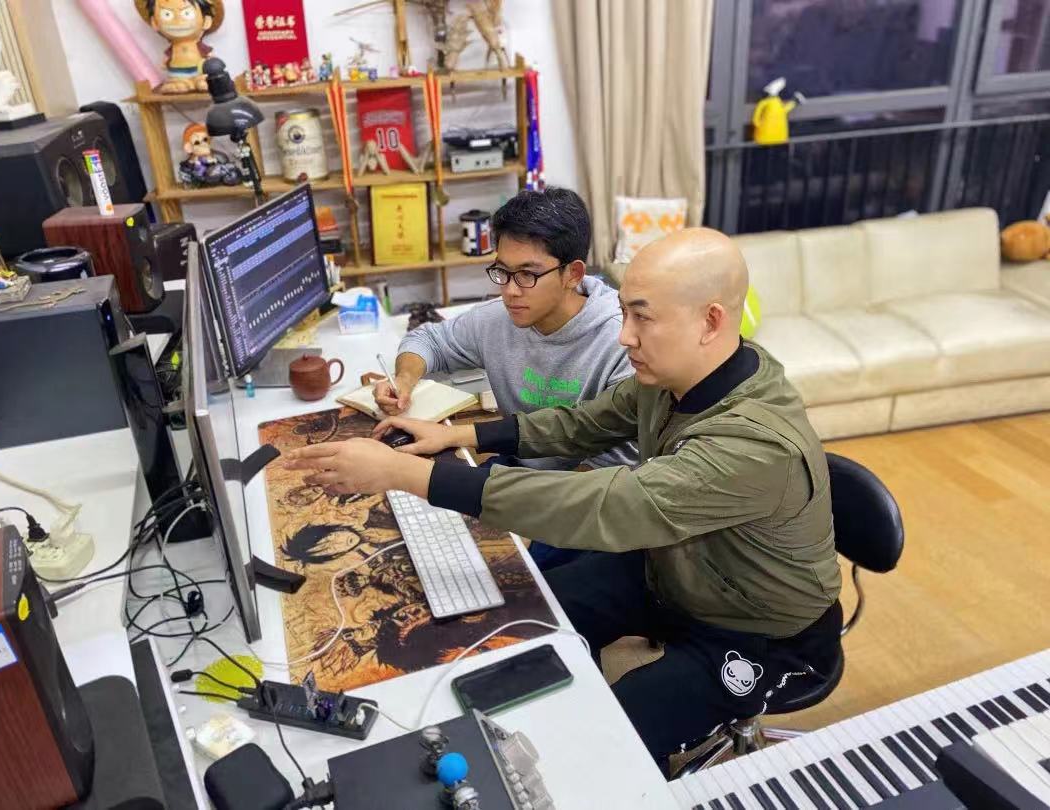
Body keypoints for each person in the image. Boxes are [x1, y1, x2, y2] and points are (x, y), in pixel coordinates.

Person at [283, 228, 842, 769]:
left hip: (761, 630)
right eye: (623, 313)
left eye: (642, 317)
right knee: (526, 622)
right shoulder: (680, 377)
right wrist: (462, 436)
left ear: (710, 322)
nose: (624, 337)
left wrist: (406, 474)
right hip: (676, 573)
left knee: (611, 739)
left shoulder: (754, 446)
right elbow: (583, 423)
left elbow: (603, 505)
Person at [374, 187, 637, 569]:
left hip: (587, 501)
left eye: (527, 274)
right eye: (503, 272)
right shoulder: (502, 317)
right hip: (516, 473)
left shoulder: (622, 340)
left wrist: (521, 517)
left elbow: (613, 473)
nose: (510, 291)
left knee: (495, 572)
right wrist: (404, 379)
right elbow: (427, 339)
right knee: (401, 525)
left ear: (573, 273)